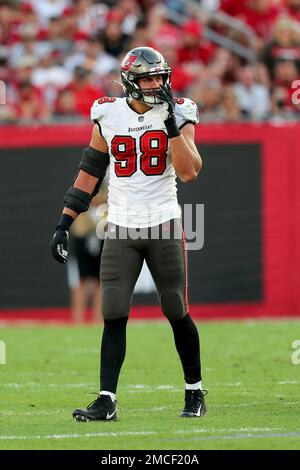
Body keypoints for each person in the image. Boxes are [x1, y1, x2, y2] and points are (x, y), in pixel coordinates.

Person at [51, 46, 207, 421]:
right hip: (120, 226)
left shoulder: (179, 110)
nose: (157, 84)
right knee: (114, 309)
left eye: (160, 77)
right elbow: (89, 171)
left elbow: (190, 171)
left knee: (175, 307)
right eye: (149, 78)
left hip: (164, 223)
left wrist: (170, 123)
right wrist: (64, 221)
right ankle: (106, 400)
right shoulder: (108, 112)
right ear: (130, 83)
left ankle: (194, 391)